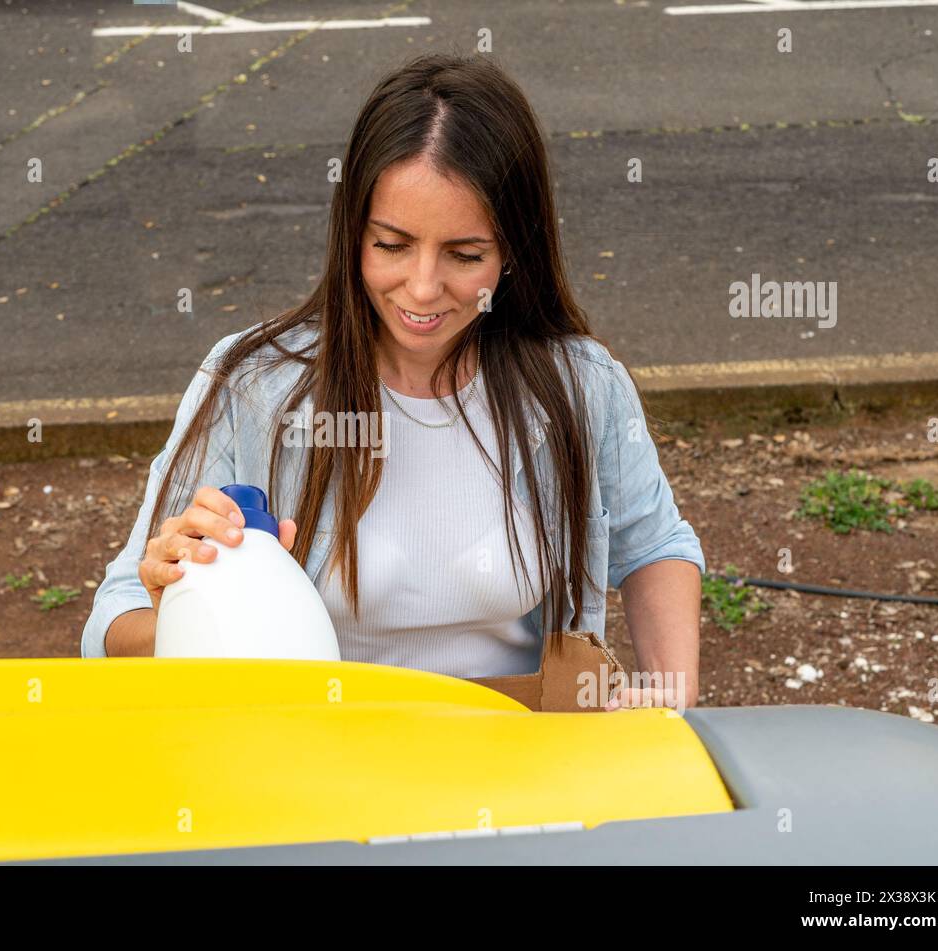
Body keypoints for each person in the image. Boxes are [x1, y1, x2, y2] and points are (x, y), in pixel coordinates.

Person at [81, 53, 705, 707]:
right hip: (326, 774)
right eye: (391, 244)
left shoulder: (581, 386)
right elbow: (112, 625)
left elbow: (654, 544)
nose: (423, 287)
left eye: (465, 254)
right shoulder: (253, 388)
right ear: (351, 234)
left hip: (527, 772)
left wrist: (677, 709)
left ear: (515, 249)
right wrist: (184, 605)